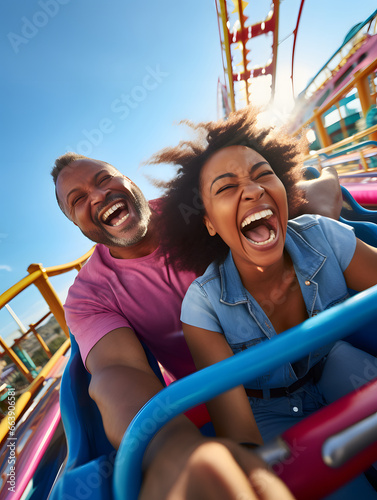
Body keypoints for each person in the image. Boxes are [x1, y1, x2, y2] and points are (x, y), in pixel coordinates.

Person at [52, 135, 342, 499]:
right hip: (232, 403)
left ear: (128, 180)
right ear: (77, 224)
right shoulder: (89, 295)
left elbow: (287, 202)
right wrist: (172, 451)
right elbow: (116, 372)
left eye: (104, 178)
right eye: (78, 199)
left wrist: (321, 193)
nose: (97, 195)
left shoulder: (192, 204)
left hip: (317, 352)